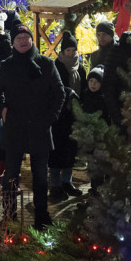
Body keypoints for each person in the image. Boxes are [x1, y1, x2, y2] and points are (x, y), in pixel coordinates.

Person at [0, 24, 65, 230]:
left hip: (40, 127)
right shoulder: (7, 66)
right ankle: (9, 215)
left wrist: (50, 117)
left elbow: (59, 92)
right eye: (18, 37)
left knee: (40, 177)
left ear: (31, 40)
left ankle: (41, 216)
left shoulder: (46, 64)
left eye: (25, 36)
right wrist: (2, 110)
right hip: (15, 129)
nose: (22, 40)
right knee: (10, 176)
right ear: (12, 42)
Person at [49, 31, 85, 200]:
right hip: (58, 116)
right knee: (56, 151)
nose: (71, 53)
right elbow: (52, 90)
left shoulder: (81, 69)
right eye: (68, 50)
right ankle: (55, 185)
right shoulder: (56, 66)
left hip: (74, 116)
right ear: (62, 51)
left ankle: (67, 181)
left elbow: (84, 90)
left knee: (71, 150)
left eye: (73, 50)